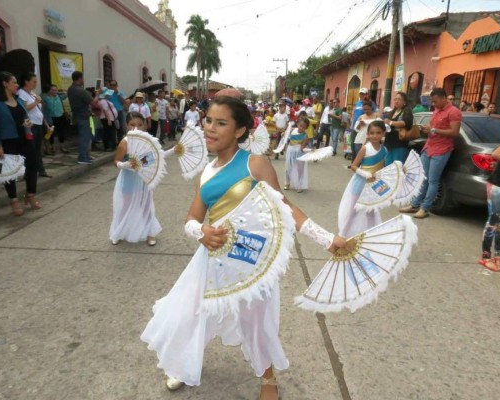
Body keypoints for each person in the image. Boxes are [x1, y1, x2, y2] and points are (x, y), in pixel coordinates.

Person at [140, 96, 349, 400]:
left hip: (252, 258)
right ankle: (183, 363)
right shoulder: (206, 173)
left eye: (221, 123)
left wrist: (328, 240)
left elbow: (285, 206)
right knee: (190, 311)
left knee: (256, 320)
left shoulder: (255, 164)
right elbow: (191, 218)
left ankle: (267, 377)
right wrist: (201, 232)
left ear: (239, 131)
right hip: (212, 258)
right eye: (208, 121)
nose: (210, 128)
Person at [109, 112, 170, 246]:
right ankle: (118, 232)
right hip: (129, 179)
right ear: (127, 126)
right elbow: (116, 161)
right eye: (132, 125)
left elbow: (155, 158)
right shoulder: (124, 143)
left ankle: (150, 233)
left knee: (146, 206)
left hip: (144, 179)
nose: (136, 128)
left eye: (140, 125)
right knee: (124, 207)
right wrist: (124, 164)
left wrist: (172, 150)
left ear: (145, 126)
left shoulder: (148, 141)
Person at [399, 88, 462, 219]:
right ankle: (415, 204)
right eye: (432, 102)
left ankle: (425, 208)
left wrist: (433, 130)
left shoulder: (454, 112)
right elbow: (434, 128)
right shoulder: (437, 110)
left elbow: (454, 132)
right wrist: (427, 129)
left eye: (435, 101)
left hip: (442, 149)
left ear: (444, 98)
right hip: (429, 146)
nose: (434, 104)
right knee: (422, 177)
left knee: (433, 180)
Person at [0, 72, 40, 215]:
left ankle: (30, 194)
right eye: (14, 82)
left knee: (32, 165)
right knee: (9, 172)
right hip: (7, 141)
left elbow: (24, 117)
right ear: (5, 83)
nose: (17, 85)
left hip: (24, 138)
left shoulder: (18, 99)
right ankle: (14, 200)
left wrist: (27, 123)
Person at [338, 120, 387, 237]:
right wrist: (365, 174)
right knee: (353, 209)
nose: (375, 136)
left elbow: (382, 167)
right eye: (372, 133)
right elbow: (353, 166)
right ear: (368, 134)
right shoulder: (366, 148)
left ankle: (371, 233)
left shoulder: (384, 150)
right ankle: (344, 233)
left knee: (371, 210)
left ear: (383, 133)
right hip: (360, 182)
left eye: (378, 133)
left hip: (373, 185)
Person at [478, 139, 500, 272]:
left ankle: (498, 255)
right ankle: (485, 256)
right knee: (494, 220)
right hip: (499, 184)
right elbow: (496, 154)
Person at [18, 72, 52, 178]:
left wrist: (46, 124)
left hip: (38, 123)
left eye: (36, 81)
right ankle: (28, 171)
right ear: (26, 82)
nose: (36, 83)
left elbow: (39, 111)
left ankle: (40, 169)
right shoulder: (21, 93)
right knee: (30, 149)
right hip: (30, 125)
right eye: (34, 81)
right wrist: (36, 102)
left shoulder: (32, 93)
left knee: (38, 148)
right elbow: (24, 109)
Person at [67, 71, 100, 164]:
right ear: (79, 78)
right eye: (82, 78)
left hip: (77, 115)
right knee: (84, 137)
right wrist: (97, 95)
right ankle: (82, 157)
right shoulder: (80, 91)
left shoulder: (70, 89)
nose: (83, 80)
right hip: (83, 116)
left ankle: (86, 156)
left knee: (85, 136)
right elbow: (93, 102)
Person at [384, 91, 414, 165]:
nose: (396, 101)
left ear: (404, 101)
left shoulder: (407, 111)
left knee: (397, 167)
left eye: (399, 99)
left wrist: (390, 122)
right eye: (395, 99)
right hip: (389, 143)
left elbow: (405, 123)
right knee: (388, 166)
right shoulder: (393, 111)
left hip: (399, 143)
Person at [42, 84, 70, 154]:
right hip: (50, 118)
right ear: (49, 90)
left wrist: (60, 91)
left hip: (60, 117)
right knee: (50, 133)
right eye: (52, 90)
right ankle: (52, 147)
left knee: (61, 132)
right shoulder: (45, 98)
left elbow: (67, 94)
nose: (54, 91)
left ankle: (62, 147)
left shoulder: (59, 97)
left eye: (55, 90)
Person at [284, 116, 309, 193]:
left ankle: (299, 185)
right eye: (300, 126)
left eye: (304, 127)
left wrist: (307, 148)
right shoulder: (292, 130)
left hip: (299, 153)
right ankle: (287, 183)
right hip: (290, 151)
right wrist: (283, 134)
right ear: (298, 124)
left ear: (306, 128)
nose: (301, 128)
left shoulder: (305, 136)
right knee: (288, 167)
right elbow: (285, 136)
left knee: (300, 170)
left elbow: (302, 147)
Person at [350, 88, 376, 159]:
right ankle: (353, 161)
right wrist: (352, 118)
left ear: (367, 94)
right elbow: (354, 111)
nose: (361, 95)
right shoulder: (358, 103)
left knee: (361, 146)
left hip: (363, 128)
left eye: (363, 94)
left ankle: (359, 162)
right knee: (353, 144)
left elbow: (374, 113)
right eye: (360, 94)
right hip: (355, 126)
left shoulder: (370, 103)